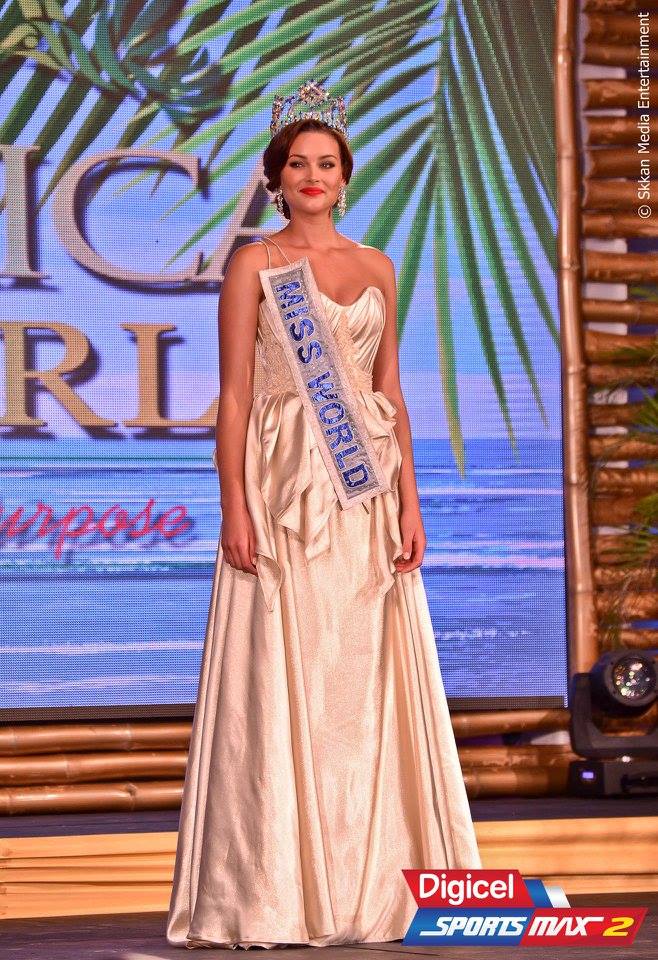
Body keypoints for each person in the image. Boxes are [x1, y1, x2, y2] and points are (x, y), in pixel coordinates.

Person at [166, 79, 481, 951]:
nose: (313, 175)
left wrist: (411, 504)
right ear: (276, 178)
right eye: (298, 163)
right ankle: (278, 890)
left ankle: (374, 883)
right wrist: (233, 506)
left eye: (327, 163)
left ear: (346, 177)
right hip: (281, 495)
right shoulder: (254, 266)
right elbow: (234, 398)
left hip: (363, 499)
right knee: (286, 674)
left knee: (362, 684)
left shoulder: (377, 266)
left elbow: (390, 394)